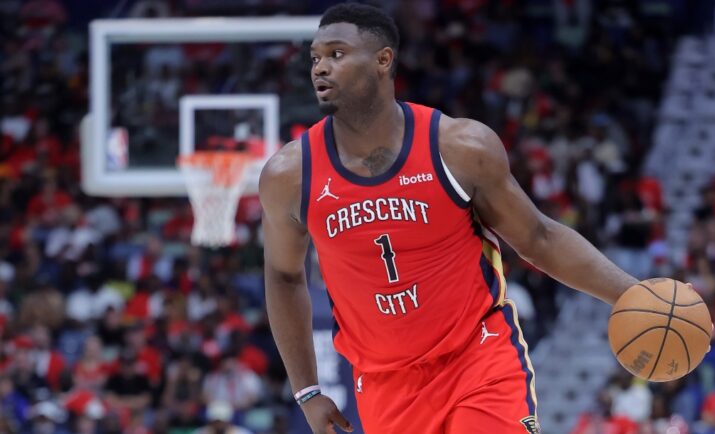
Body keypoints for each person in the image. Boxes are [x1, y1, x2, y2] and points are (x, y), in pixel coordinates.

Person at [260, 4, 638, 434]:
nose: (320, 68)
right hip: (385, 386)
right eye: (315, 57)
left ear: (384, 60)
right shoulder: (289, 176)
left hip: (477, 359)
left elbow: (538, 237)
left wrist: (630, 293)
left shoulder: (459, 148)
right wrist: (307, 390)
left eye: (337, 54)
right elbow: (284, 277)